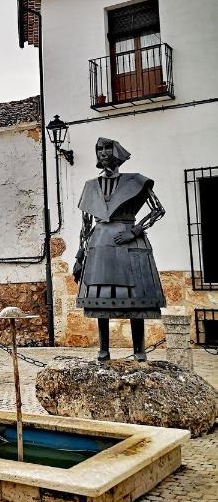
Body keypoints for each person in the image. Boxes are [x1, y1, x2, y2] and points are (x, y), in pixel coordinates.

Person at [73, 137, 165, 362]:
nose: (103, 152)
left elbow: (158, 210)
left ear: (117, 151)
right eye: (99, 149)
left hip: (129, 242)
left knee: (135, 300)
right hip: (100, 244)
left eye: (107, 148)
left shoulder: (135, 181)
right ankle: (103, 349)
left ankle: (139, 349)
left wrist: (134, 231)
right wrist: (79, 255)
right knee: (100, 299)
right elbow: (86, 225)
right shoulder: (90, 185)